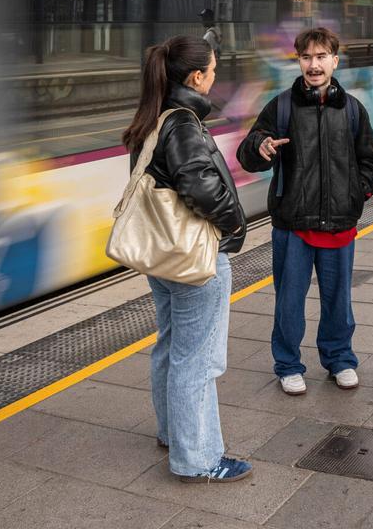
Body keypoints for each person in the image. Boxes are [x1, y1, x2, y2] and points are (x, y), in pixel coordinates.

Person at [120, 36, 251, 483]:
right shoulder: (183, 124)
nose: (215, 77)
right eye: (213, 70)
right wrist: (234, 224)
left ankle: (173, 433)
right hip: (195, 258)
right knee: (197, 360)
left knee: (171, 346)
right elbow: (201, 188)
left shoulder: (152, 118)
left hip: (163, 255)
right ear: (196, 77)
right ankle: (199, 458)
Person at [236, 27, 373, 395]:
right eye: (306, 57)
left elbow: (370, 161)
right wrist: (260, 147)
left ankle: (340, 359)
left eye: (321, 57)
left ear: (335, 60)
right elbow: (248, 152)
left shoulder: (352, 110)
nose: (313, 65)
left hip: (338, 223)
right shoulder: (281, 106)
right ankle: (288, 364)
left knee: (338, 300)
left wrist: (356, 194)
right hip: (293, 224)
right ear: (298, 61)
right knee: (289, 301)